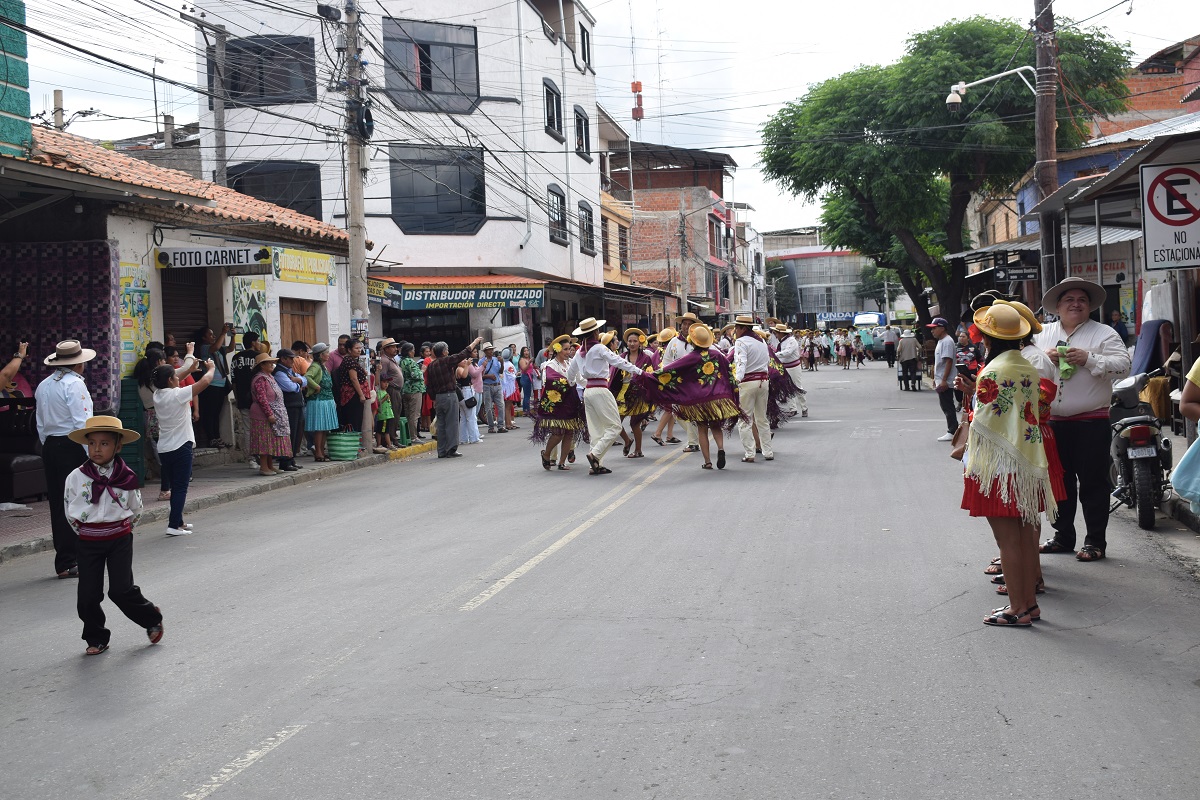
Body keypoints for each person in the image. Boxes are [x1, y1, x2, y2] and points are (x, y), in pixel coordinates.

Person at [958, 303, 1056, 628]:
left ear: (987, 338)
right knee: (1026, 537)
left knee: (1007, 541)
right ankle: (1029, 604)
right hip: (1027, 461)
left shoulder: (993, 370)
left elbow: (983, 423)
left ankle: (1017, 609)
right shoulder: (1026, 367)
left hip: (998, 466)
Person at [1035, 277, 1130, 562]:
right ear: (1057, 307)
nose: (1076, 304)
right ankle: (1063, 536)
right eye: (1069, 299)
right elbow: (1024, 365)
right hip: (1052, 422)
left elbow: (1124, 366)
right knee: (1058, 483)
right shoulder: (1041, 334)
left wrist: (1089, 359)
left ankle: (1095, 542)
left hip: (1091, 422)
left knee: (1093, 484)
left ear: (1089, 306)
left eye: (1082, 300)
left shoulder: (1104, 333)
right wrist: (1044, 358)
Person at [63, 415, 164, 655]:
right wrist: (87, 530)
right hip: (88, 541)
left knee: (121, 590)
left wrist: (122, 530)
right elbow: (69, 509)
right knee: (88, 595)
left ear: (118, 446)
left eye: (104, 443)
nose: (97, 449)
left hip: (119, 540)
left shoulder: (126, 476)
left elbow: (136, 509)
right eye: (92, 443)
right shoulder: (76, 477)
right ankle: (96, 637)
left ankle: (151, 618)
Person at [35, 340, 98, 579]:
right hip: (72, 445)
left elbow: (40, 423)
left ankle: (64, 559)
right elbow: (82, 423)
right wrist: (91, 453)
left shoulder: (43, 385)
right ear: (79, 364)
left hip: (51, 445)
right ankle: (74, 558)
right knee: (78, 501)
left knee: (58, 503)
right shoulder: (74, 384)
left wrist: (48, 445)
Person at [566, 318, 645, 475]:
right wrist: (640, 371)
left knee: (596, 430)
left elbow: (570, 375)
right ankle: (595, 455)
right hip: (600, 390)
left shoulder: (579, 353)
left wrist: (579, 383)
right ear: (595, 333)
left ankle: (595, 464)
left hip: (588, 391)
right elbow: (619, 362)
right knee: (615, 427)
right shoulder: (599, 348)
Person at [152, 356, 214, 535]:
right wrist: (211, 368)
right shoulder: (177, 394)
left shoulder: (158, 394)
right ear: (170, 380)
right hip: (181, 446)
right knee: (180, 487)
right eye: (175, 376)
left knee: (175, 486)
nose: (178, 378)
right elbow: (205, 382)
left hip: (165, 448)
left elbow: (172, 376)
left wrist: (189, 367)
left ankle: (178, 521)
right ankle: (173, 526)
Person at [532, 335, 586, 470]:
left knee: (569, 433)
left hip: (570, 401)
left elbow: (580, 379)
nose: (568, 352)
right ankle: (546, 454)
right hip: (557, 403)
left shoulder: (571, 363)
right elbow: (548, 381)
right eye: (565, 349)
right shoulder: (550, 365)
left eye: (569, 349)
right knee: (558, 433)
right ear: (557, 350)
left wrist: (595, 384)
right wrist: (567, 383)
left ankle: (562, 462)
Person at [426, 337, 485, 458]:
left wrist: (434, 398)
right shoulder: (446, 361)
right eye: (447, 350)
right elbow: (462, 354)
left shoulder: (431, 366)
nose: (448, 352)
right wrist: (474, 342)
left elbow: (429, 385)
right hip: (449, 395)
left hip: (438, 397)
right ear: (443, 352)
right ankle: (451, 449)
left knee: (441, 425)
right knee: (452, 423)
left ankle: (441, 450)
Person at [732, 315, 773, 463]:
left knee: (745, 420)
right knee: (762, 418)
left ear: (743, 328)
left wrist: (737, 379)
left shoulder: (741, 341)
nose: (735, 331)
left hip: (748, 383)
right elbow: (767, 361)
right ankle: (768, 451)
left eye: (737, 328)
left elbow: (740, 362)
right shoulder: (761, 341)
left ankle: (750, 453)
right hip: (763, 381)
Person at [614, 328, 655, 458]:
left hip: (638, 392)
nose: (632, 344)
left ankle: (638, 450)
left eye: (635, 341)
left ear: (640, 342)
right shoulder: (621, 357)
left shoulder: (646, 358)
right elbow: (613, 374)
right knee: (615, 422)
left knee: (635, 424)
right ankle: (627, 440)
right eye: (630, 341)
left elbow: (649, 375)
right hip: (622, 393)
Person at [249, 352, 292, 476]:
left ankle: (270, 466)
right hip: (262, 415)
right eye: (269, 363)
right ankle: (264, 467)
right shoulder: (260, 379)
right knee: (264, 440)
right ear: (262, 365)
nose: (273, 365)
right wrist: (269, 414)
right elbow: (262, 398)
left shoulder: (269, 377)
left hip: (271, 413)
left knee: (271, 441)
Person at [665, 313, 702, 452]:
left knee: (690, 411)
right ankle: (697, 434)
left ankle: (693, 442)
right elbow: (667, 361)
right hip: (677, 382)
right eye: (684, 324)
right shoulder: (673, 342)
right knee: (676, 412)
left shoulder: (698, 342)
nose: (686, 327)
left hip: (693, 382)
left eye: (689, 324)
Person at [193, 323, 233, 448]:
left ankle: (217, 437)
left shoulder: (218, 348)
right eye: (210, 334)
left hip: (221, 385)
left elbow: (230, 349)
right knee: (210, 413)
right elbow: (215, 347)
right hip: (211, 385)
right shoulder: (204, 348)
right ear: (203, 338)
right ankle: (211, 438)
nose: (213, 336)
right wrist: (223, 333)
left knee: (216, 413)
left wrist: (232, 336)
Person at [230, 331, 262, 467]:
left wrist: (237, 398)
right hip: (259, 400)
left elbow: (234, 381)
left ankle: (251, 458)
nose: (259, 344)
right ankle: (261, 456)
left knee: (248, 429)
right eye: (258, 341)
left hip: (243, 398)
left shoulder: (235, 358)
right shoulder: (259, 358)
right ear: (253, 342)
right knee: (260, 429)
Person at [273, 348, 307, 470]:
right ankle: (285, 461)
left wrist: (298, 380)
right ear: (283, 359)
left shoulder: (289, 371)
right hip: (289, 406)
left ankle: (291, 458)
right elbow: (289, 387)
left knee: (296, 433)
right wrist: (299, 384)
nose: (293, 361)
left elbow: (305, 380)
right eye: (291, 358)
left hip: (296, 405)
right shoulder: (279, 372)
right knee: (289, 433)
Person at [304, 343, 338, 461]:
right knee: (320, 428)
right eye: (326, 353)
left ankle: (322, 451)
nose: (328, 355)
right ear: (320, 355)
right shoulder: (315, 367)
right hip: (319, 400)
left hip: (326, 399)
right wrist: (316, 386)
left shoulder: (323, 366)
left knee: (324, 429)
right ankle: (318, 452)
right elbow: (307, 377)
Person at [927, 317, 957, 441]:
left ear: (942, 328)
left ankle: (952, 430)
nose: (932, 331)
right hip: (941, 379)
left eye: (934, 328)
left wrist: (944, 380)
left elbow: (948, 361)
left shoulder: (947, 341)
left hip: (946, 381)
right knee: (945, 405)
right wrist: (936, 378)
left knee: (947, 405)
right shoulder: (941, 341)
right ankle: (952, 429)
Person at [650, 327, 679, 446]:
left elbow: (653, 365)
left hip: (661, 381)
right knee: (670, 408)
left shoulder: (658, 351)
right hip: (669, 381)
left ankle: (669, 435)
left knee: (672, 408)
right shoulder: (671, 349)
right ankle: (657, 433)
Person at [334, 339, 369, 437]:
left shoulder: (352, 360)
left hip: (352, 396)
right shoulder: (350, 361)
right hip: (352, 396)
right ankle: (353, 443)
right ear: (349, 350)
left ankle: (354, 443)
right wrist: (361, 395)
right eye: (356, 348)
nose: (359, 350)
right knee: (354, 421)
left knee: (354, 421)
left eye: (360, 348)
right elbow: (353, 379)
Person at [775, 324, 809, 419]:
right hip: (785, 366)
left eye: (776, 333)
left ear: (781, 333)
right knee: (787, 388)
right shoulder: (782, 341)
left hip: (793, 366)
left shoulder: (791, 340)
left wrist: (774, 354)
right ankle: (792, 409)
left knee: (797, 387)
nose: (776, 335)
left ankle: (804, 408)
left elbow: (787, 352)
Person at [397, 342, 425, 443]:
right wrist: (422, 371)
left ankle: (409, 435)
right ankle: (413, 436)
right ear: (409, 352)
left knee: (408, 414)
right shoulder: (411, 362)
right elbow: (416, 375)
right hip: (414, 389)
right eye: (413, 350)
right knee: (414, 414)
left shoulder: (401, 361)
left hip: (405, 390)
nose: (414, 352)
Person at [478, 342, 505, 434]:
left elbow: (500, 371)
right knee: (488, 407)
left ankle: (501, 426)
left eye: (492, 349)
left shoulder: (496, 360)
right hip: (487, 386)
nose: (491, 351)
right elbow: (478, 376)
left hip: (497, 385)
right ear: (485, 351)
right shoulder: (481, 362)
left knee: (501, 406)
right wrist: (488, 376)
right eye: (489, 350)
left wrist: (502, 363)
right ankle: (491, 426)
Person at [501, 348, 520, 430]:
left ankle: (509, 423)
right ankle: (508, 424)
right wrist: (517, 374)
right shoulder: (509, 364)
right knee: (508, 406)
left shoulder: (503, 364)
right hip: (510, 387)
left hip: (505, 387)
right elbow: (512, 376)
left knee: (507, 406)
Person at [517, 346, 535, 416]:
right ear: (522, 352)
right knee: (527, 395)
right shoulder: (522, 360)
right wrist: (529, 362)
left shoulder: (527, 359)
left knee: (528, 394)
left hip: (529, 377)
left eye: (527, 351)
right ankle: (526, 410)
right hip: (525, 377)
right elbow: (524, 369)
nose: (526, 352)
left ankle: (526, 410)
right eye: (524, 351)